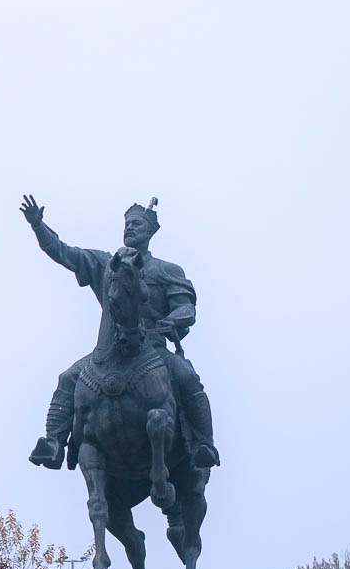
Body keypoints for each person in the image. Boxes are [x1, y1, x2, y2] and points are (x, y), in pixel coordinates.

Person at [20, 195, 219, 471]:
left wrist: (172, 320)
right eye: (127, 224)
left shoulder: (167, 270)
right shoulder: (106, 264)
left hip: (152, 346)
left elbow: (186, 307)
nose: (130, 228)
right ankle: (53, 442)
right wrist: (38, 226)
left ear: (150, 232)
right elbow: (64, 252)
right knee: (68, 378)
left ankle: (202, 445)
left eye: (137, 224)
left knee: (187, 377)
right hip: (110, 348)